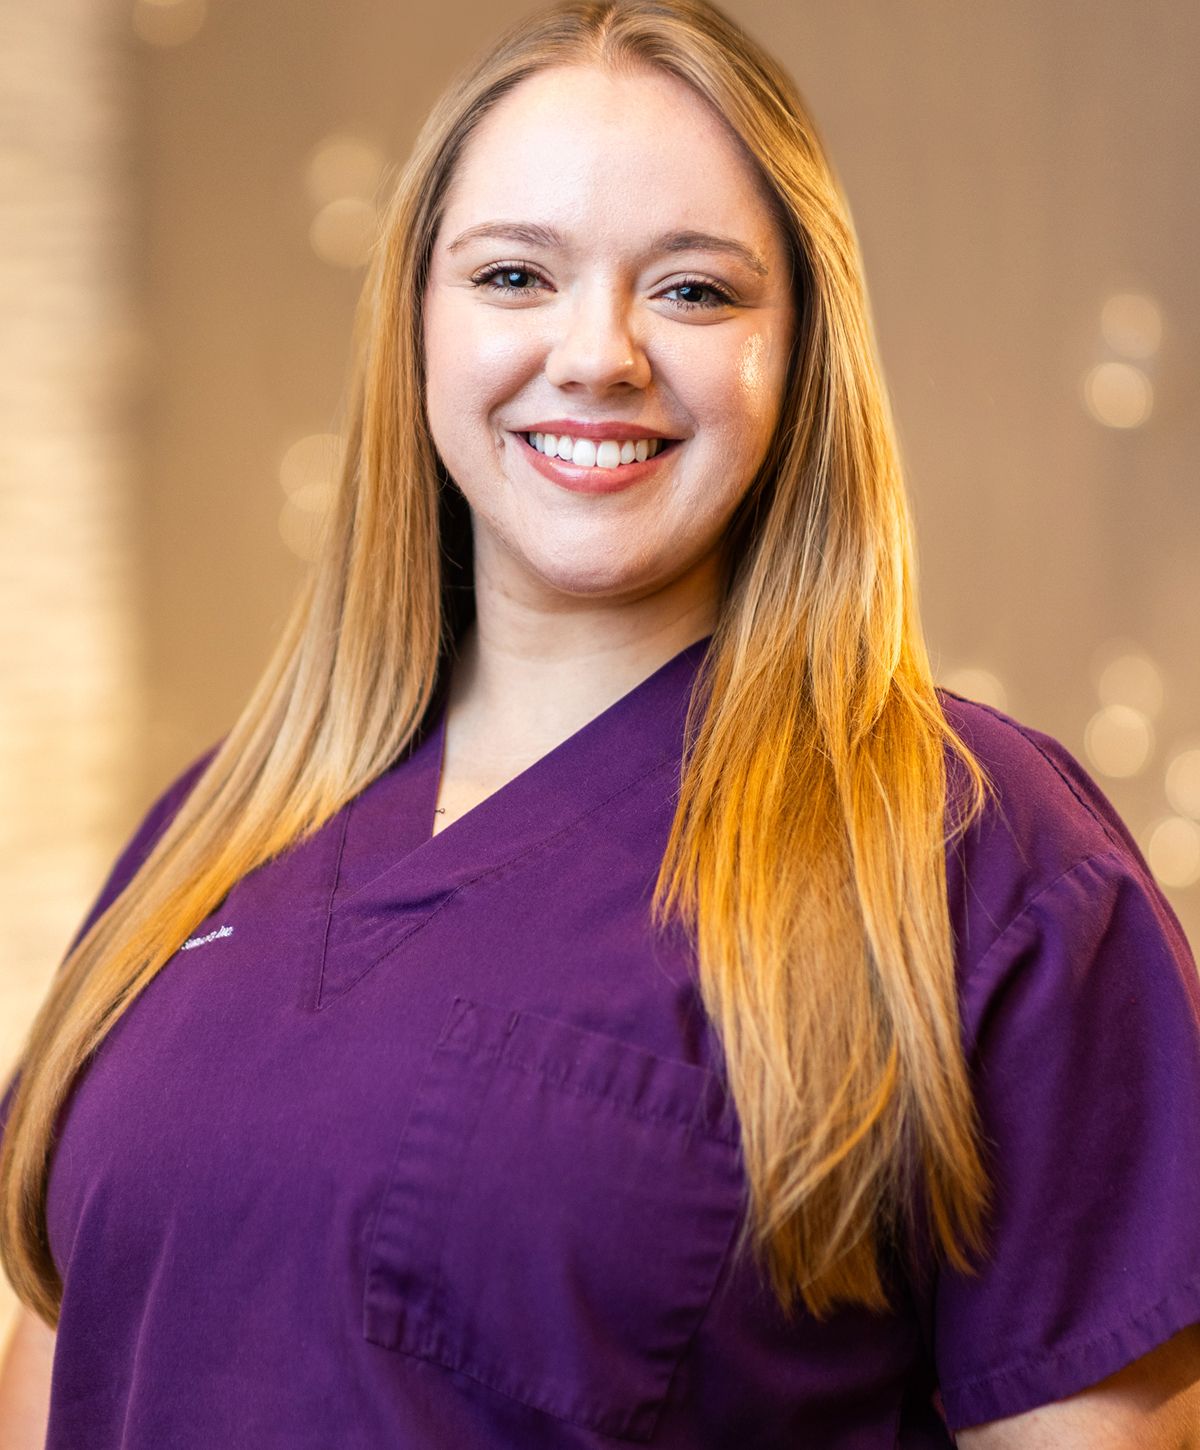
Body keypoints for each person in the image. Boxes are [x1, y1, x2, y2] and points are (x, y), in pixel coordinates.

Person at [2, 0, 1199, 1444]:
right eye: (515, 273)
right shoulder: (219, 825)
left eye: (695, 292)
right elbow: (63, 1363)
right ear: (418, 325)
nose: (600, 353)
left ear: (800, 350)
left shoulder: (975, 857)